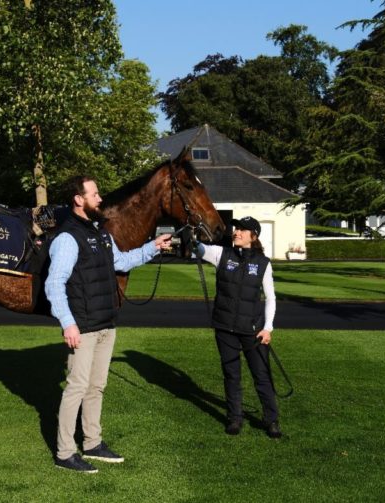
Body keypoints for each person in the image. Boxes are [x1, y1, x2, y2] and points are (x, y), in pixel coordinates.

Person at [45, 175, 172, 473]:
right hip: (83, 327)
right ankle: (65, 453)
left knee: (96, 387)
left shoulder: (101, 233)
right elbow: (54, 284)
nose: (100, 198)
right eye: (95, 194)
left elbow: (122, 262)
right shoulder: (67, 238)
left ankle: (92, 443)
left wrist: (153, 246)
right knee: (76, 388)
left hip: (106, 323)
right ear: (79, 199)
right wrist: (68, 323)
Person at [194, 216, 282, 439]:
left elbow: (270, 298)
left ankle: (271, 420)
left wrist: (268, 328)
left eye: (242, 229)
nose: (236, 232)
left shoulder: (263, 263)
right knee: (231, 375)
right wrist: (189, 232)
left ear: (254, 236)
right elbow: (199, 248)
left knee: (261, 375)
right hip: (225, 328)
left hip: (254, 331)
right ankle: (235, 418)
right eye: (236, 228)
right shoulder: (222, 254)